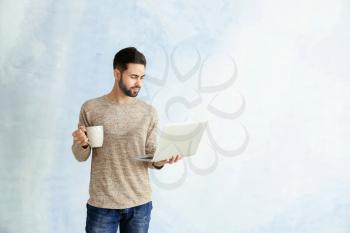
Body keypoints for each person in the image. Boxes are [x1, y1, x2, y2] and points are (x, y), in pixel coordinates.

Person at [71, 47, 182, 233]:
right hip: (102, 204)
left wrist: (161, 160)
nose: (139, 83)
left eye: (142, 77)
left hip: (139, 204)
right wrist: (82, 143)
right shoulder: (91, 108)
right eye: (133, 77)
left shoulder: (148, 112)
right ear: (117, 73)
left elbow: (150, 153)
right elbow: (81, 156)